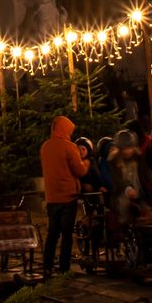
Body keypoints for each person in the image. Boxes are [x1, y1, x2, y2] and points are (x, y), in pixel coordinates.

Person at [40, 115, 90, 277]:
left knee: (53, 233)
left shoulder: (45, 147)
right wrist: (87, 162)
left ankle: (47, 265)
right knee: (67, 234)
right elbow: (80, 170)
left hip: (52, 197)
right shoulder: (69, 147)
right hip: (68, 197)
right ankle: (64, 267)